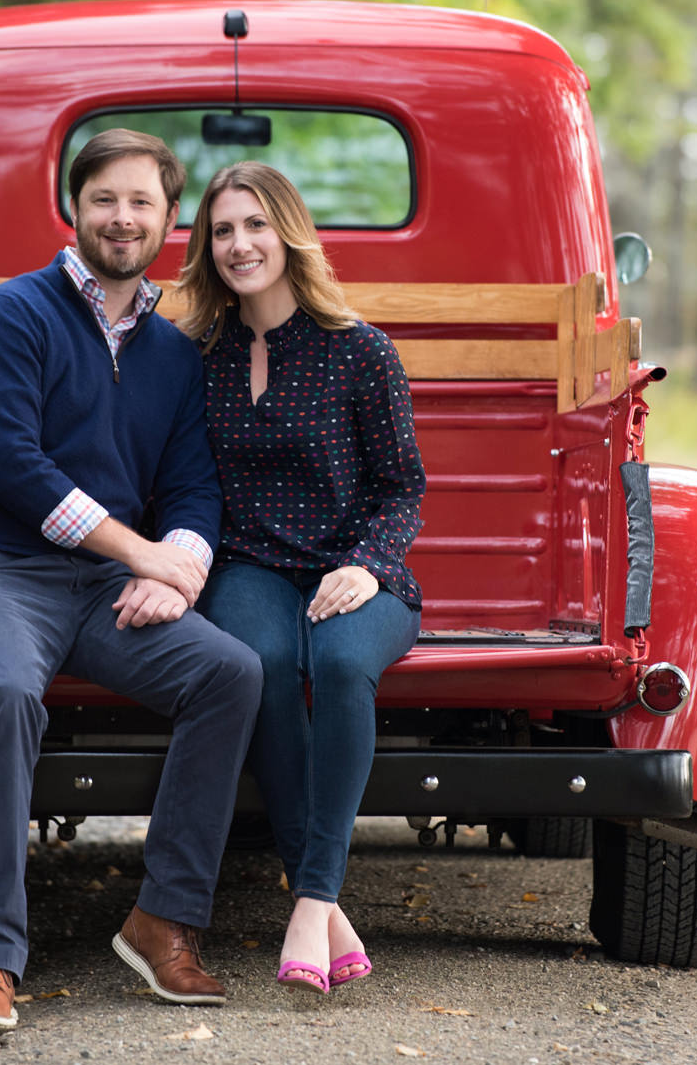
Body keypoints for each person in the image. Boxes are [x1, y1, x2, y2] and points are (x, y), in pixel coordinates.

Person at [0, 129, 263, 1040]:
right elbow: (10, 466)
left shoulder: (175, 355)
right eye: (106, 199)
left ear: (169, 221)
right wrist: (140, 553)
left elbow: (193, 485)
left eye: (142, 203)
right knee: (2, 688)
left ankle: (163, 922)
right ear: (74, 209)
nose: (123, 218)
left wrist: (178, 570)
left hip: (103, 587)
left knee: (229, 674)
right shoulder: (9, 316)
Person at [177, 161, 426, 995]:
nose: (240, 244)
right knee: (264, 666)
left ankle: (311, 898)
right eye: (222, 230)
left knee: (342, 663)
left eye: (255, 225)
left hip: (355, 568)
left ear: (289, 232)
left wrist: (369, 564)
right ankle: (324, 909)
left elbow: (402, 485)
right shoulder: (198, 360)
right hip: (250, 566)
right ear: (207, 249)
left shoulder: (360, 352)